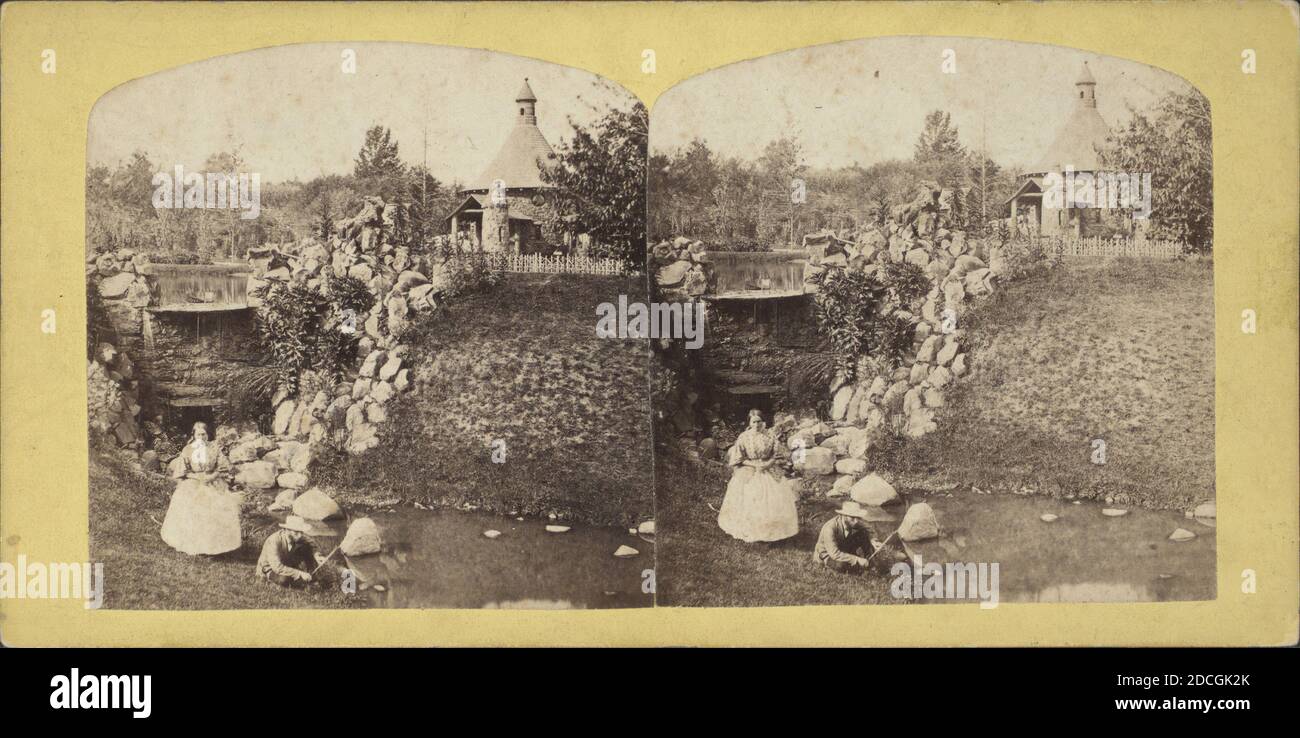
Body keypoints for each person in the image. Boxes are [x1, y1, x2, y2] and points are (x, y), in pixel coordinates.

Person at [159, 422, 242, 556]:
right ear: (194, 435)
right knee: (194, 510)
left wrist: (213, 475)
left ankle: (213, 548)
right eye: (199, 434)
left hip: (213, 481)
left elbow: (223, 466)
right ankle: (195, 545)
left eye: (204, 434)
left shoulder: (214, 448)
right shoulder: (187, 450)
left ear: (208, 435)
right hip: (193, 482)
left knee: (218, 508)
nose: (202, 437)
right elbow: (183, 471)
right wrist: (198, 478)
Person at [717, 409, 799, 543]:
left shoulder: (770, 435)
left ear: (763, 422)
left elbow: (777, 454)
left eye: (759, 421)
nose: (757, 425)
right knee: (751, 498)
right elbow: (739, 458)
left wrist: (768, 464)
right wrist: (755, 465)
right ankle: (751, 530)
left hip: (769, 467)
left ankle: (771, 531)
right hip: (750, 469)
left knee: (774, 499)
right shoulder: (744, 437)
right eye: (754, 422)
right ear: (749, 422)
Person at [257, 516, 322, 587]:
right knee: (284, 580)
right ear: (286, 530)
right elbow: (277, 567)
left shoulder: (296, 536)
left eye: (301, 532)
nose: (300, 535)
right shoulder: (274, 540)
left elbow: (312, 543)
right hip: (270, 568)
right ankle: (269, 580)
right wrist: (299, 573)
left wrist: (317, 555)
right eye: (296, 532)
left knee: (307, 547)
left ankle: (312, 577)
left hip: (286, 565)